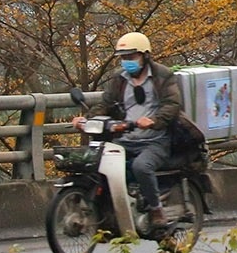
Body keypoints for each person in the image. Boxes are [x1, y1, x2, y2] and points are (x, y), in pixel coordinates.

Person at [76, 32, 179, 235]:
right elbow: (105, 104)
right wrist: (86, 120)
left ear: (145, 55)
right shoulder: (119, 79)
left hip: (155, 140)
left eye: (131, 57)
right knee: (98, 164)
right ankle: (106, 217)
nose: (127, 62)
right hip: (126, 137)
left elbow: (172, 104)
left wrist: (154, 121)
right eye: (123, 58)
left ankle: (156, 209)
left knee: (142, 167)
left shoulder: (163, 75)